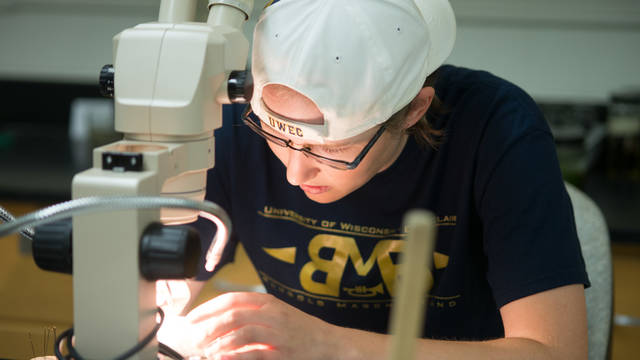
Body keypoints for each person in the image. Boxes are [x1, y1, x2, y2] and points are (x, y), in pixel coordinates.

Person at [167, 0, 590, 358]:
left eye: (331, 149)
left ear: (413, 110)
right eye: (275, 136)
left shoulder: (496, 129)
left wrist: (325, 344)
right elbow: (155, 299)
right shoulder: (232, 128)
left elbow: (556, 352)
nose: (295, 174)